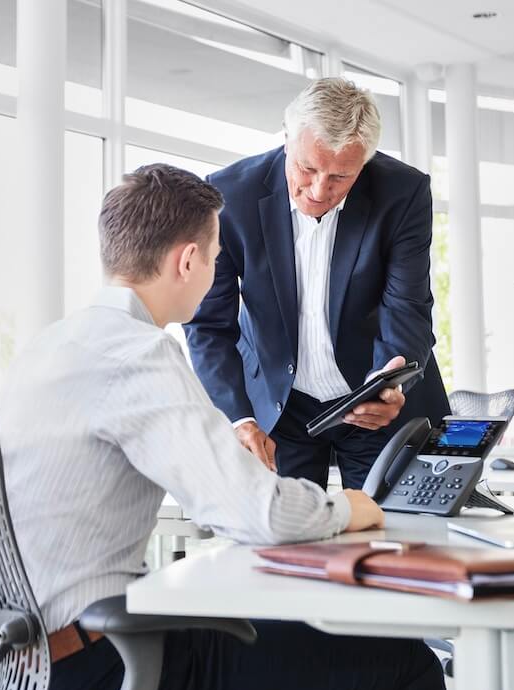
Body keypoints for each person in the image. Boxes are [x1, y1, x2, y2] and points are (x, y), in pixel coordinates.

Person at [0, 164, 445, 690]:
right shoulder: (137, 354)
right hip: (98, 667)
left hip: (16, 665)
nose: (215, 273)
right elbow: (256, 513)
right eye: (213, 257)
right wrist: (353, 508)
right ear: (188, 261)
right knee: (411, 672)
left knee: (292, 654)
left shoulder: (53, 344)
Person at [185, 77, 450, 491]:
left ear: (364, 163)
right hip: (280, 409)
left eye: (341, 177)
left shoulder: (404, 193)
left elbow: (407, 307)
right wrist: (238, 417)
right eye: (306, 168)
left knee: (400, 539)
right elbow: (209, 325)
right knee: (288, 542)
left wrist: (389, 384)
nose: (319, 190)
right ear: (287, 141)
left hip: (377, 405)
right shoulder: (228, 196)